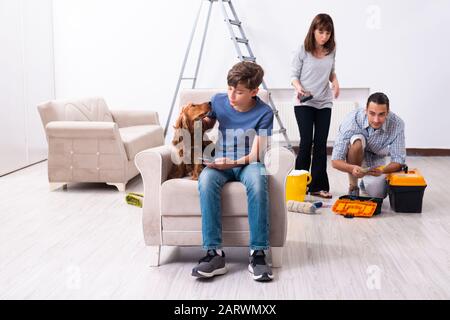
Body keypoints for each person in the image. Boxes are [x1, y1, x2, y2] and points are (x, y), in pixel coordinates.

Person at [191, 61, 275, 282]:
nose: (232, 95)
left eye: (239, 92)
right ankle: (214, 254)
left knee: (258, 180)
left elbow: (256, 154)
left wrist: (233, 163)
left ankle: (258, 253)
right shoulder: (219, 100)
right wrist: (203, 122)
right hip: (220, 161)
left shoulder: (265, 113)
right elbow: (206, 123)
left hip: (248, 162)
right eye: (230, 88)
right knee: (206, 180)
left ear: (254, 91)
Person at [290, 13, 340, 199]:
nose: (324, 36)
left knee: (320, 144)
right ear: (313, 31)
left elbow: (331, 72)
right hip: (304, 101)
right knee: (305, 143)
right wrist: (299, 87)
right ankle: (300, 184)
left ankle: (318, 186)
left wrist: (335, 82)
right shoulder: (303, 49)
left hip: (324, 102)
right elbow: (293, 75)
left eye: (328, 32)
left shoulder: (331, 50)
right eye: (321, 32)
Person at [331, 92, 406, 198]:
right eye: (372, 113)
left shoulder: (397, 124)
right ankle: (354, 186)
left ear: (387, 112)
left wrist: (383, 170)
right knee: (357, 141)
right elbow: (335, 161)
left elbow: (399, 160)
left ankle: (365, 184)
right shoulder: (352, 120)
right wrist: (352, 169)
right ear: (365, 110)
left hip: (377, 157)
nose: (376, 120)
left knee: (377, 194)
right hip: (357, 150)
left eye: (381, 114)